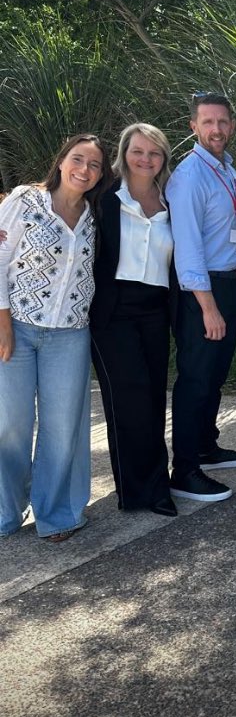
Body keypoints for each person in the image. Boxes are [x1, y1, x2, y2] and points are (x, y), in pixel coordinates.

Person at [0, 134, 113, 541]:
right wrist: (3, 323)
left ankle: (57, 512)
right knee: (9, 425)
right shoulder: (25, 201)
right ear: (62, 160)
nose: (85, 169)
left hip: (69, 334)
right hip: (17, 327)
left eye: (94, 165)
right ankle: (5, 510)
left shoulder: (94, 215)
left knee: (62, 428)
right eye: (78, 159)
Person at [166, 93, 236, 504]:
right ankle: (184, 470)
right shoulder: (189, 176)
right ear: (194, 126)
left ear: (231, 125)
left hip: (229, 282)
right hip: (203, 292)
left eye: (222, 122)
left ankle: (205, 446)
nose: (216, 129)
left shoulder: (227, 169)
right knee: (196, 379)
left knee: (215, 376)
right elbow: (188, 249)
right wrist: (208, 306)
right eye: (208, 122)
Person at [90, 123, 177, 516]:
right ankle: (135, 491)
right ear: (124, 153)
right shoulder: (104, 196)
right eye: (138, 151)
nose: (146, 159)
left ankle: (158, 485)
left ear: (163, 159)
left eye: (154, 152)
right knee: (128, 400)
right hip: (113, 312)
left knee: (155, 396)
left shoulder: (170, 198)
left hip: (156, 309)